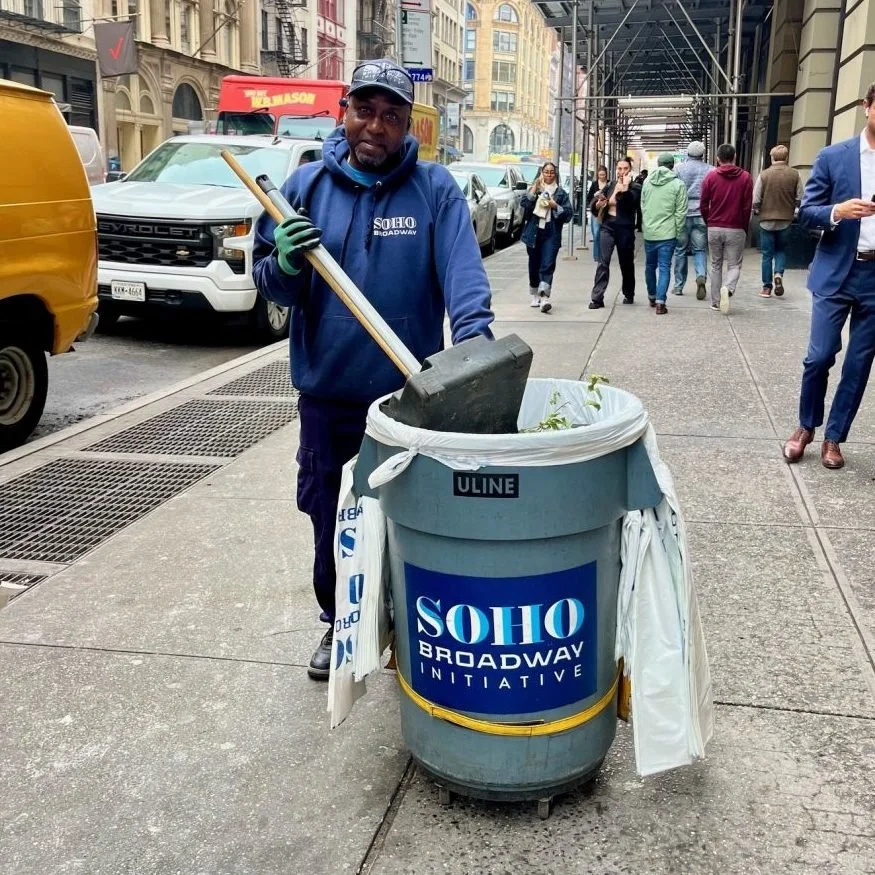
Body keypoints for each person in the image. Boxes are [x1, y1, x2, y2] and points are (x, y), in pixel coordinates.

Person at [252, 60, 495, 680]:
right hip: (327, 397)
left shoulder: (434, 189)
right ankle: (340, 625)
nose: (376, 127)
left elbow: (463, 277)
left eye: (392, 116)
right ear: (344, 110)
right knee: (329, 516)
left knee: (414, 518)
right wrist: (284, 264)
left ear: (407, 122)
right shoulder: (300, 190)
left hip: (408, 398)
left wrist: (477, 348)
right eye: (366, 110)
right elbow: (270, 286)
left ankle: (409, 627)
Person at [783, 82, 875, 471]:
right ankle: (806, 426)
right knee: (819, 356)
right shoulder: (834, 157)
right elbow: (806, 212)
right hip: (839, 269)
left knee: (858, 364)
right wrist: (837, 211)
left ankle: (834, 437)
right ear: (867, 107)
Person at [700, 143, 753, 314]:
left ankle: (715, 302)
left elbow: (703, 203)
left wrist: (709, 220)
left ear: (717, 159)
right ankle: (728, 288)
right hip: (736, 227)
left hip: (714, 226)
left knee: (715, 265)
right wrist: (744, 226)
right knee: (734, 265)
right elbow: (747, 206)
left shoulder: (710, 177)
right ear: (735, 157)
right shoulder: (746, 177)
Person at [521, 162, 573, 313]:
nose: (549, 175)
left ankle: (545, 298)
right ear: (541, 173)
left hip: (551, 233)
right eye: (546, 172)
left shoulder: (561, 193)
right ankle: (535, 294)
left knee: (548, 264)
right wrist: (533, 190)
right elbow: (524, 203)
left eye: (552, 172)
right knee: (534, 265)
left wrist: (555, 205)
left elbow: (568, 214)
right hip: (534, 232)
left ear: (555, 174)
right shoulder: (536, 189)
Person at [589, 156, 641, 309]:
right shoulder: (611, 185)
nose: (622, 171)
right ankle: (597, 298)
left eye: (625, 168)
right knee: (603, 262)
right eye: (619, 168)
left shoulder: (635, 187)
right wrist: (598, 204)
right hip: (608, 226)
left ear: (630, 170)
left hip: (625, 229)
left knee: (626, 263)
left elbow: (630, 201)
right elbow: (595, 203)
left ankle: (629, 293)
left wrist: (624, 189)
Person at [641, 153, 688, 315]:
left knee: (649, 266)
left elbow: (643, 206)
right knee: (665, 267)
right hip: (668, 233)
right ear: (672, 165)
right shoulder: (678, 185)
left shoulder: (647, 182)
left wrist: (646, 225)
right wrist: (677, 230)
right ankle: (661, 303)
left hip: (650, 232)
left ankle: (652, 296)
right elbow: (681, 211)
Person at [753, 144, 802, 297]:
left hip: (766, 220)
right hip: (786, 220)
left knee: (767, 255)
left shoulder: (764, 175)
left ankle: (766, 287)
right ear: (786, 158)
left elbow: (756, 198)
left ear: (772, 157)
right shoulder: (795, 174)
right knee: (780, 250)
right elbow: (800, 197)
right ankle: (778, 274)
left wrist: (757, 209)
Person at [672, 140, 713, 299]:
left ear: (687, 153)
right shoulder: (710, 170)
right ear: (702, 154)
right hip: (702, 214)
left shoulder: (678, 169)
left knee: (680, 250)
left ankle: (678, 286)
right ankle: (701, 275)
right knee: (700, 249)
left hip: (682, 214)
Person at [586, 165, 609, 262]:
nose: (602, 177)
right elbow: (589, 197)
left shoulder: (609, 184)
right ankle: (597, 256)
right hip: (596, 212)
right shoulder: (594, 184)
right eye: (600, 175)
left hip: (606, 211)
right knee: (596, 234)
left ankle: (604, 255)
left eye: (603, 175)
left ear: (606, 175)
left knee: (605, 235)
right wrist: (596, 198)